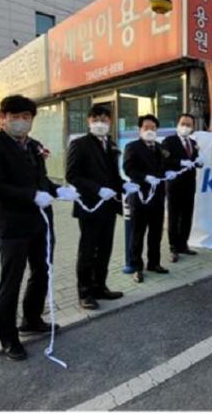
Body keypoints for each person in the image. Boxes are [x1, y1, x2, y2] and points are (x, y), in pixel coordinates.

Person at [0, 95, 76, 361]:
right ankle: (8, 338)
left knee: (42, 272)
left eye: (26, 117)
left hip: (41, 224)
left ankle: (32, 320)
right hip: (12, 226)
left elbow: (40, 180)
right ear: (3, 118)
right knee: (12, 280)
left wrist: (58, 190)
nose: (21, 121)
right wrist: (31, 195)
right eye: (15, 116)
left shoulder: (34, 146)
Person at [66, 104, 124, 310]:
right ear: (88, 122)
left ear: (110, 122)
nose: (100, 123)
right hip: (90, 206)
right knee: (88, 251)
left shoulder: (111, 144)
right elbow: (72, 175)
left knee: (105, 248)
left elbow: (113, 175)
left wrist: (124, 186)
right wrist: (97, 189)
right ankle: (85, 293)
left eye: (104, 120)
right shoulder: (79, 144)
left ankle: (100, 287)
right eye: (96, 119)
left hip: (109, 206)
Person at [123, 114, 174, 283]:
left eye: (153, 128)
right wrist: (145, 177)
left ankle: (154, 263)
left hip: (158, 196)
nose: (150, 131)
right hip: (140, 196)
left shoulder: (160, 147)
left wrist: (169, 172)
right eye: (146, 128)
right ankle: (136, 267)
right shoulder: (132, 147)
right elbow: (128, 169)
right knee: (137, 233)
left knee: (156, 232)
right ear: (140, 129)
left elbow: (166, 165)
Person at [162, 113, 204, 263]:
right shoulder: (169, 141)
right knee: (174, 216)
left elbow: (196, 161)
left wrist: (200, 162)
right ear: (178, 124)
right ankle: (173, 248)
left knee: (187, 215)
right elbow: (164, 160)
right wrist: (180, 162)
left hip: (189, 184)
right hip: (174, 184)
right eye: (183, 123)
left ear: (192, 127)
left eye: (188, 125)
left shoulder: (193, 143)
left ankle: (183, 244)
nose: (185, 127)